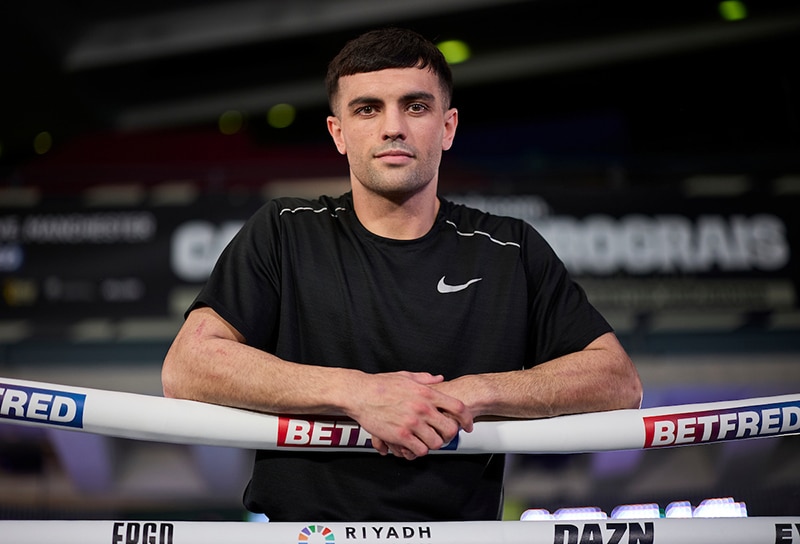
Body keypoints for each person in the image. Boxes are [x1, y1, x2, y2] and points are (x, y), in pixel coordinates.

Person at [161, 27, 642, 522]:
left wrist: (472, 393)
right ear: (339, 133)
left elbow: (616, 379)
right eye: (367, 108)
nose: (393, 127)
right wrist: (358, 393)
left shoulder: (508, 248)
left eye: (415, 106)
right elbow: (187, 366)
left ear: (448, 126)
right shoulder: (285, 230)